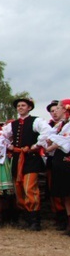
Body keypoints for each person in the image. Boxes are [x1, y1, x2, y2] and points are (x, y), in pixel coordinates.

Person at [2, 97, 51, 231]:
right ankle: (27, 218)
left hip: (31, 159)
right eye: (18, 106)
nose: (20, 107)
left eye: (23, 105)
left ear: (29, 107)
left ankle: (35, 220)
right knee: (18, 189)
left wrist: (36, 145)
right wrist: (9, 146)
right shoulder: (13, 124)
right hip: (18, 159)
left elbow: (47, 132)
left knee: (30, 188)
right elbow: (1, 136)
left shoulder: (36, 121)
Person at [45, 99, 70, 235]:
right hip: (60, 159)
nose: (56, 110)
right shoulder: (61, 125)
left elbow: (65, 141)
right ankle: (68, 222)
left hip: (67, 158)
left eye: (59, 107)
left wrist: (53, 143)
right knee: (65, 193)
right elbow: (50, 137)